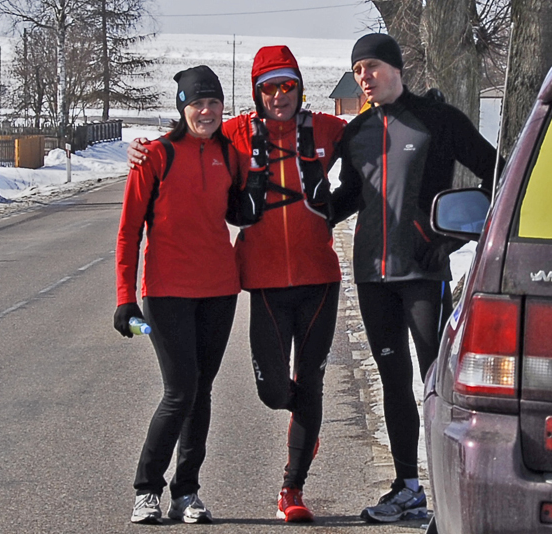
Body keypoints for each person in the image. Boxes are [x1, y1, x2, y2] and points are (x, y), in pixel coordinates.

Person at [128, 45, 346, 523]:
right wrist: (140, 148)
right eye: (269, 87)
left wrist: (414, 113)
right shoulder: (234, 135)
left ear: (299, 87)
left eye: (288, 85)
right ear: (255, 93)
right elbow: (190, 136)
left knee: (306, 383)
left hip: (317, 279)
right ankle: (303, 419)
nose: (279, 95)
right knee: (268, 392)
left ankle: (289, 488)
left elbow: (377, 139)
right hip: (259, 282)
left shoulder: (326, 128)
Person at [330, 33, 501, 523]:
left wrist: (449, 239)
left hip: (424, 273)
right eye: (357, 70)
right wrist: (305, 212)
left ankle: (452, 487)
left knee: (435, 383)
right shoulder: (356, 132)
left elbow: (497, 175)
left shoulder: (438, 119)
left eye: (372, 66)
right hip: (372, 276)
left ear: (396, 68)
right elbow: (349, 196)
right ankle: (407, 487)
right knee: (393, 380)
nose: (364, 77)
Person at [114, 65, 240, 525]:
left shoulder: (231, 154)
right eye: (197, 103)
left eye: (213, 103)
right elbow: (128, 232)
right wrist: (125, 297)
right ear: (182, 108)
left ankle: (186, 491)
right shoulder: (155, 156)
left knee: (201, 391)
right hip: (166, 291)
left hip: (220, 290)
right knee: (180, 391)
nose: (206, 111)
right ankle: (147, 489)